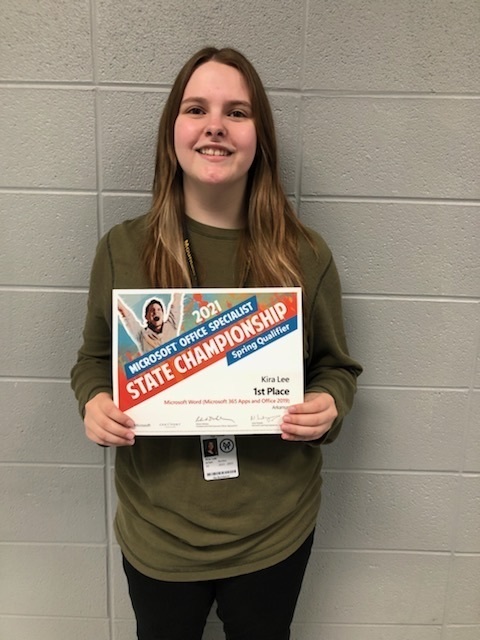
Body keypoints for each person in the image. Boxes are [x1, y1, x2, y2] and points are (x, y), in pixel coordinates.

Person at [71, 46, 362, 640]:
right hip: (160, 531)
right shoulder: (121, 249)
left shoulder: (305, 253)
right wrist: (94, 402)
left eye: (237, 112)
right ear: (171, 131)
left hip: (274, 529)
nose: (215, 126)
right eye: (196, 108)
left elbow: (336, 368)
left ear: (260, 138)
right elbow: (93, 361)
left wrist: (329, 406)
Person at [117, 293, 182, 354]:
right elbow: (124, 312)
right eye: (152, 310)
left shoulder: (172, 325)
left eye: (159, 309)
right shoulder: (141, 334)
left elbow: (177, 298)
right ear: (146, 317)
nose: (155, 312)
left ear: (163, 314)